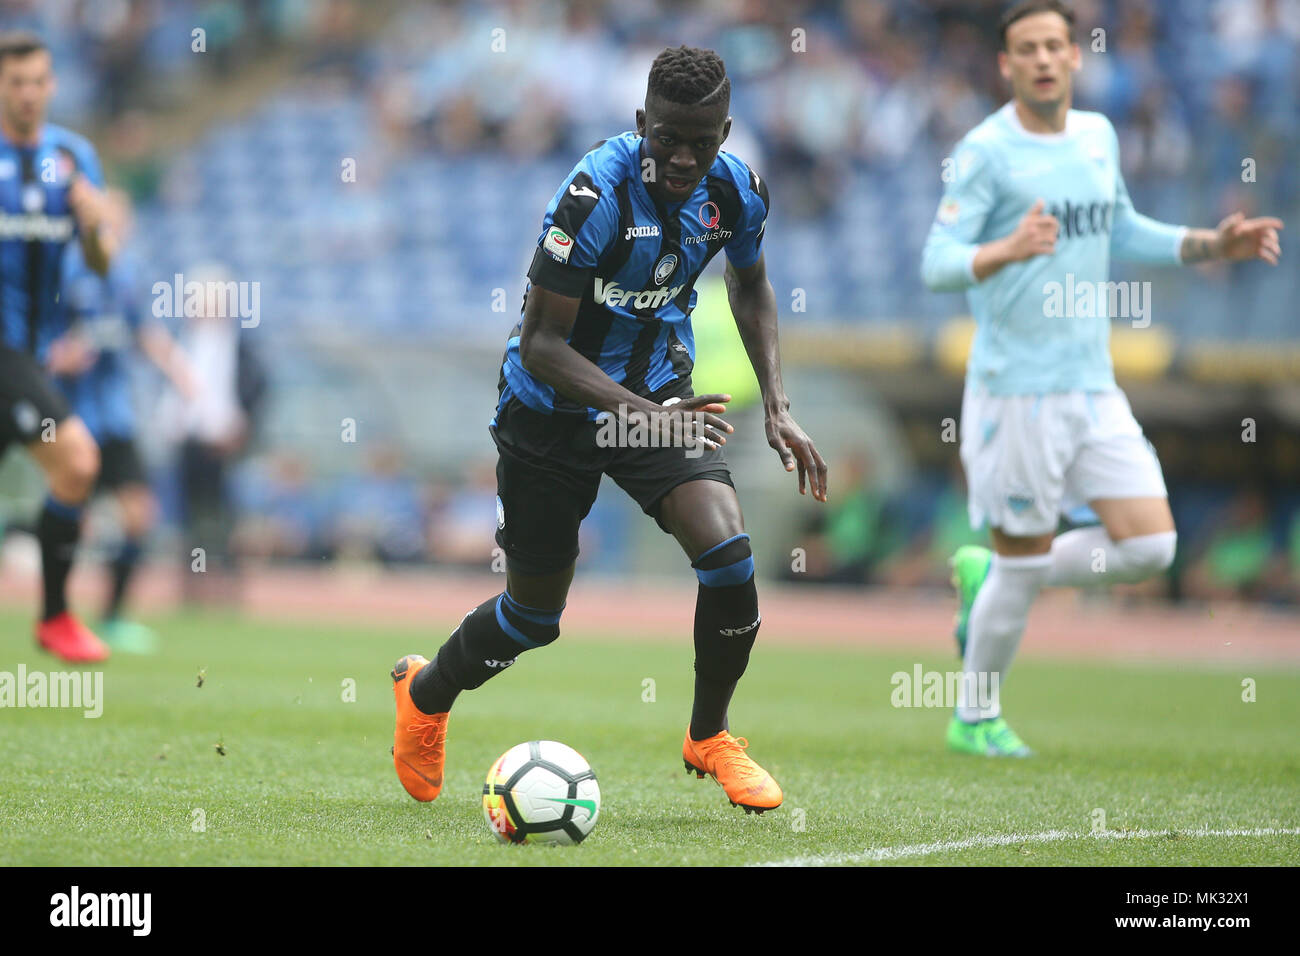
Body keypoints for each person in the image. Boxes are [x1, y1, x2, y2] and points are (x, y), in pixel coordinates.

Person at [390, 45, 827, 814]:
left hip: (658, 396)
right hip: (551, 413)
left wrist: (778, 403)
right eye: (667, 138)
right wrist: (643, 414)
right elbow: (542, 344)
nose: (685, 157)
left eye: (702, 140)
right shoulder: (593, 196)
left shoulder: (737, 192)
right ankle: (426, 696)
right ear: (640, 124)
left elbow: (751, 285)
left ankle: (710, 736)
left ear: (726, 132)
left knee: (728, 554)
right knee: (533, 618)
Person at [921, 0, 1284, 757]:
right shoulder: (986, 151)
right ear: (1006, 64)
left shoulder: (1097, 135)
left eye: (1056, 45)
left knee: (1150, 547)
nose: (1045, 59)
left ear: (1075, 56)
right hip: (1014, 392)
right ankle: (974, 714)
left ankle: (993, 573)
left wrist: (1209, 244)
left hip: (1092, 384)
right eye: (1028, 48)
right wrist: (1005, 250)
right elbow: (937, 263)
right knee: (1023, 564)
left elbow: (1120, 227)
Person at [0, 31, 118, 662]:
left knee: (75, 467)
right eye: (15, 82)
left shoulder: (72, 157)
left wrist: (96, 223)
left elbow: (101, 263)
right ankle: (53, 617)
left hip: (29, 356)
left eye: (37, 81)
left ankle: (53, 618)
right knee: (77, 459)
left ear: (52, 84)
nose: (27, 94)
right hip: (5, 356)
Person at [46, 189, 195, 653]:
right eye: (106, 222)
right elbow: (37, 333)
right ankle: (58, 613)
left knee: (139, 515)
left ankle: (112, 617)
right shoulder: (64, 269)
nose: (114, 232)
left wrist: (179, 370)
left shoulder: (128, 273)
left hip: (115, 414)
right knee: (74, 517)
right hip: (69, 415)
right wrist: (56, 357)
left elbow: (142, 330)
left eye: (121, 223)